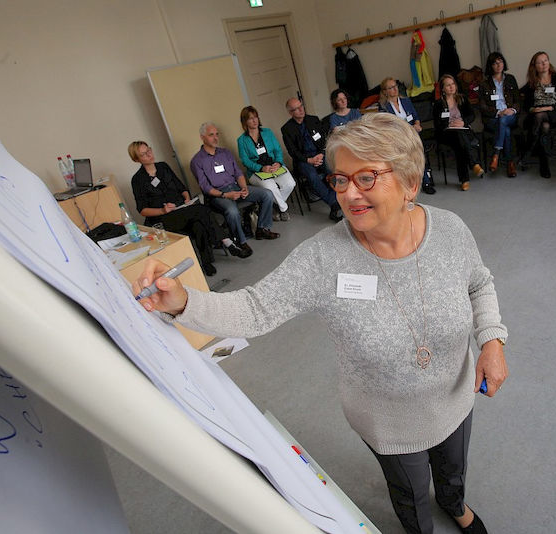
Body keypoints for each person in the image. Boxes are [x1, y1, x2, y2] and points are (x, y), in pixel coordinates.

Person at [134, 113, 508, 534]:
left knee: (453, 469)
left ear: (409, 182)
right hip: (389, 420)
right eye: (340, 180)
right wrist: (183, 301)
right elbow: (255, 309)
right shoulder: (322, 258)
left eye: (366, 177)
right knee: (410, 493)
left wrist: (492, 341)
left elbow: (479, 283)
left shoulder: (450, 231)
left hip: (456, 395)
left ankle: (455, 504)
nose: (349, 194)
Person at [128, 141, 243, 277]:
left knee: (198, 223)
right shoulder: (137, 180)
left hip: (182, 209)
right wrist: (163, 210)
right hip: (164, 218)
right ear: (137, 159)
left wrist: (187, 198)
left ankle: (206, 262)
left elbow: (181, 188)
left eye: (149, 150)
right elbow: (142, 210)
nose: (149, 154)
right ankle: (226, 241)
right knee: (201, 210)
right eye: (144, 154)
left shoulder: (163, 167)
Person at [189, 122, 279, 258]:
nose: (215, 138)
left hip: (236, 187)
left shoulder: (225, 153)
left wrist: (244, 188)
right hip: (218, 195)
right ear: (202, 137)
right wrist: (226, 195)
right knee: (232, 211)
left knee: (267, 194)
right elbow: (205, 187)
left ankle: (262, 228)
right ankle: (241, 242)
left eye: (217, 134)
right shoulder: (197, 161)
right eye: (211, 135)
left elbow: (238, 173)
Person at [281, 97, 343, 222]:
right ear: (291, 113)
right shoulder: (287, 129)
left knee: (332, 170)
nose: (301, 110)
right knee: (312, 176)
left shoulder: (313, 120)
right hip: (304, 160)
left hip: (319, 155)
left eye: (301, 106)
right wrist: (309, 160)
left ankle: (336, 201)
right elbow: (293, 151)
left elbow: (323, 140)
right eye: (296, 109)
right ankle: (334, 203)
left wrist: (321, 154)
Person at [236, 106, 296, 221]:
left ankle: (273, 205)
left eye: (256, 117)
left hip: (274, 166)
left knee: (290, 184)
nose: (254, 120)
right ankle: (283, 209)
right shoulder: (242, 140)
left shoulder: (268, 132)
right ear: (245, 122)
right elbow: (245, 161)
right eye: (250, 118)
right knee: (270, 187)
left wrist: (278, 162)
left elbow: (278, 150)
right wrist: (261, 168)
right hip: (257, 171)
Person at [378, 77, 437, 194]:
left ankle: (425, 181)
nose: (395, 89)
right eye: (391, 88)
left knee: (417, 152)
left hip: (412, 134)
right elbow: (386, 127)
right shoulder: (383, 107)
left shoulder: (405, 101)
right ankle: (417, 180)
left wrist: (417, 124)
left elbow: (416, 117)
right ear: (385, 91)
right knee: (410, 153)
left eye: (395, 86)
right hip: (397, 138)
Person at [520, 51, 556, 178]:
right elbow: (526, 104)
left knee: (540, 117)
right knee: (544, 126)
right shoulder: (532, 82)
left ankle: (529, 149)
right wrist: (533, 109)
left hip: (555, 113)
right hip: (537, 115)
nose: (543, 64)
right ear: (534, 66)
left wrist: (549, 107)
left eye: (545, 60)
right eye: (539, 62)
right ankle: (544, 163)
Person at [433, 74, 485, 191]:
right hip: (446, 133)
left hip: (463, 130)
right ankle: (474, 164)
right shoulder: (438, 104)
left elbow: (471, 115)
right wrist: (449, 125)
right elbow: (437, 124)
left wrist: (463, 122)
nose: (451, 87)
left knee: (459, 145)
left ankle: (465, 180)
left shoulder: (462, 99)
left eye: (453, 84)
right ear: (443, 89)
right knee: (458, 137)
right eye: (448, 85)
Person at [478, 51, 520, 178]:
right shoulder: (484, 84)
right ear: (490, 66)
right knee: (505, 129)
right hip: (493, 118)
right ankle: (510, 163)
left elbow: (518, 101)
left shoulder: (510, 79)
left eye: (500, 61)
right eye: (495, 63)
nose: (498, 65)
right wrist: (498, 112)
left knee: (504, 121)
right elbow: (482, 107)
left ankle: (496, 154)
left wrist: (512, 110)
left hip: (510, 115)